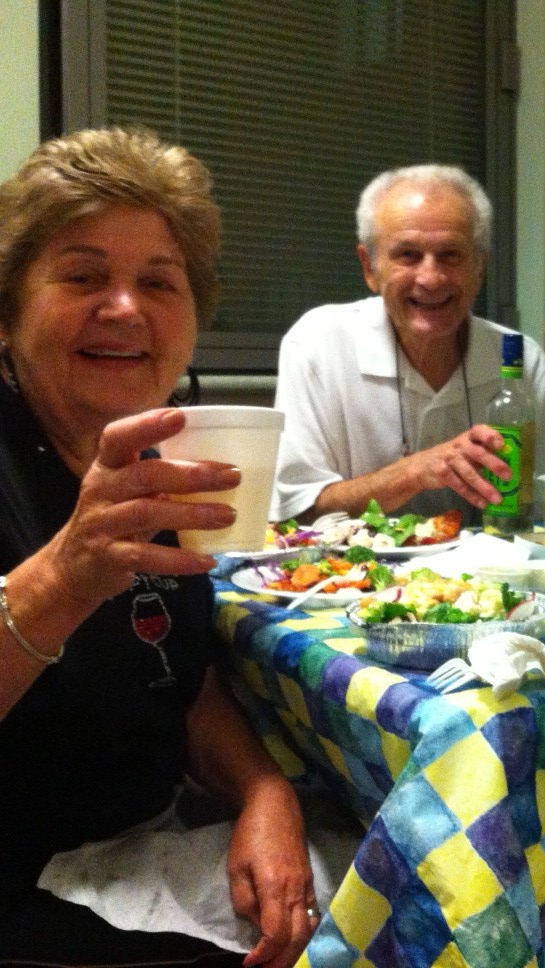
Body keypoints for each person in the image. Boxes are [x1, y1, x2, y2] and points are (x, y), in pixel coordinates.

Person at [0, 128, 318, 966]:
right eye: (82, 276)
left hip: (142, 853)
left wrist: (264, 791)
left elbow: (177, 676)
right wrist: (65, 575)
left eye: (158, 282)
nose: (126, 308)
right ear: (7, 309)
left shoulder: (158, 459)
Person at [271, 164, 545, 524]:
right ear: (369, 267)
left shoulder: (522, 360)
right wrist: (411, 474)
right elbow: (297, 512)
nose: (431, 278)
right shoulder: (317, 344)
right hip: (353, 561)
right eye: (408, 255)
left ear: (480, 267)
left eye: (450, 254)